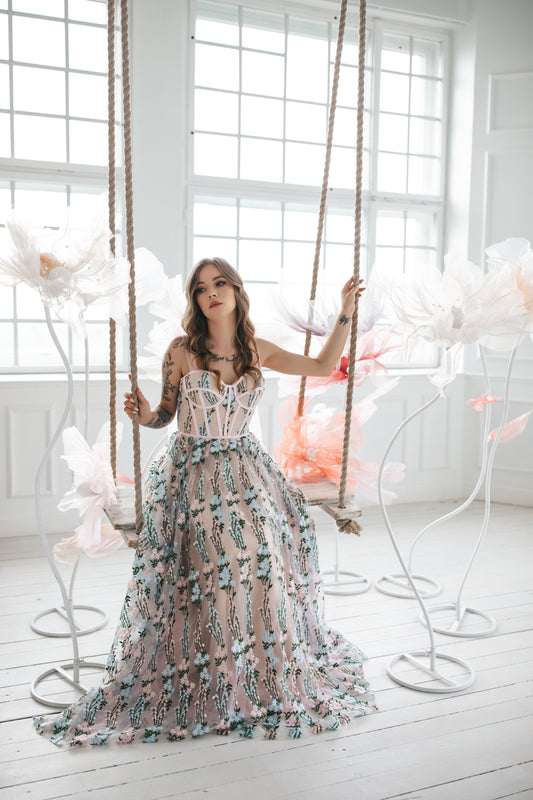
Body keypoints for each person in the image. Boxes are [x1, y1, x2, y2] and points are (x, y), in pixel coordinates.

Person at [34, 257, 375, 747]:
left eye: (219, 284)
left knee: (267, 550)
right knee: (216, 556)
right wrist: (146, 412)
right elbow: (163, 417)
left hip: (244, 466)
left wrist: (344, 313)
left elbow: (322, 366)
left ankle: (256, 666)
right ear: (194, 301)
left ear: (236, 291)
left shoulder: (257, 352)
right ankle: (213, 666)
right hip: (190, 469)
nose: (210, 293)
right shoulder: (182, 351)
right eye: (200, 288)